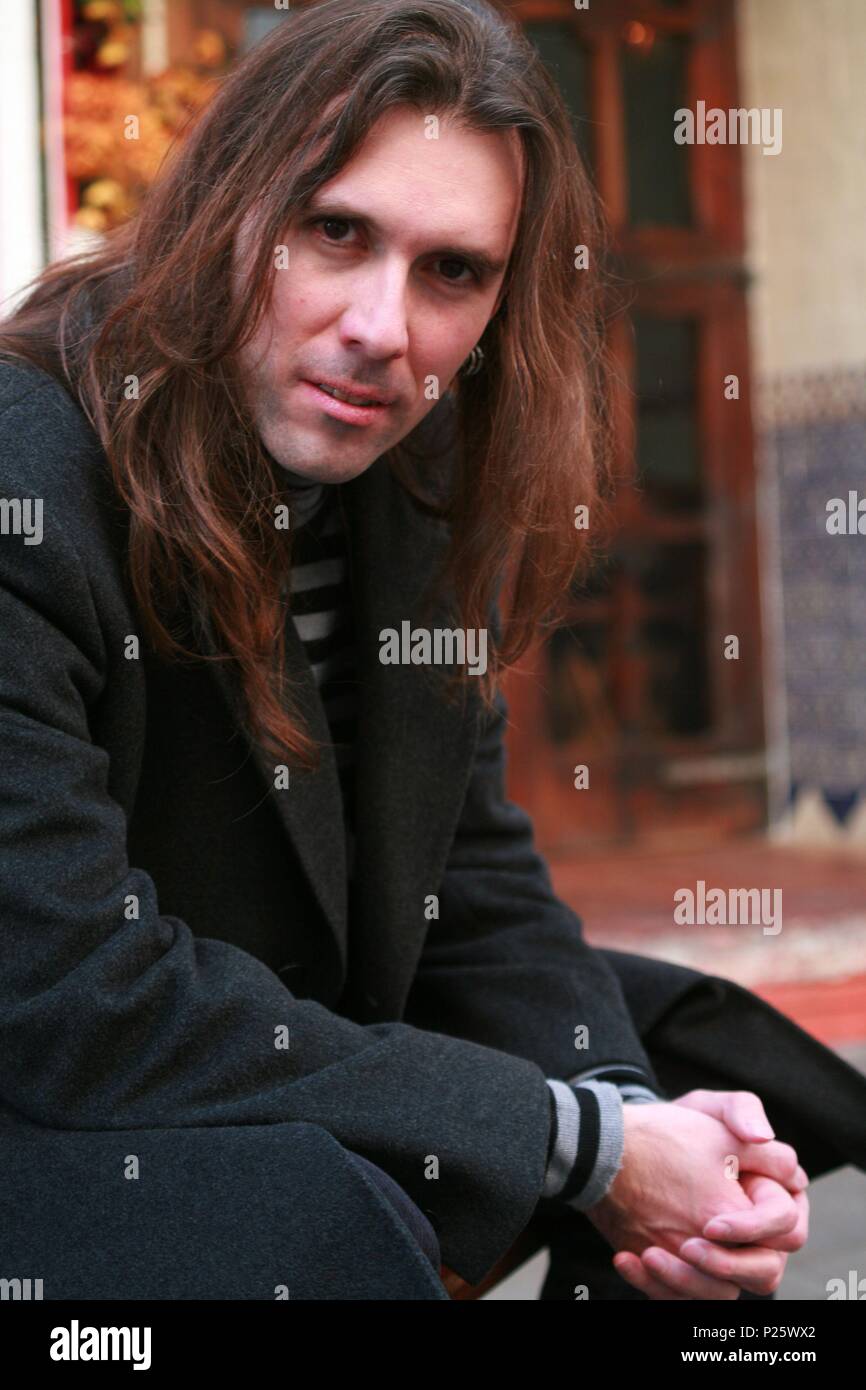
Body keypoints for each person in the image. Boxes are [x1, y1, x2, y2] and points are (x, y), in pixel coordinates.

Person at [0, 0, 863, 1302]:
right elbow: (72, 1004)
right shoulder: (29, 477)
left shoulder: (414, 476)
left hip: (267, 996)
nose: (381, 327)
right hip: (61, 1073)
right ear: (227, 206)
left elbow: (469, 869)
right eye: (333, 233)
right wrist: (590, 1148)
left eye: (451, 271)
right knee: (321, 1219)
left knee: (702, 1061)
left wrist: (620, 1115)